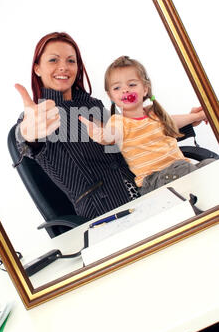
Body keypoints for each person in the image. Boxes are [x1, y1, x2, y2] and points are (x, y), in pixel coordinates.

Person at [14, 32, 140, 221]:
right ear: (37, 68)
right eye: (53, 60)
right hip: (104, 213)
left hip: (144, 191)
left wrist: (176, 124)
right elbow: (26, 139)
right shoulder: (41, 117)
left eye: (71, 61)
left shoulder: (94, 104)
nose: (63, 67)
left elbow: (130, 136)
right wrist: (26, 132)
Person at [80, 55, 214, 195]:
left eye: (132, 85)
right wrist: (99, 134)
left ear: (145, 89)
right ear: (111, 96)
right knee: (184, 169)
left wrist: (197, 116)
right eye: (117, 88)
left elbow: (172, 121)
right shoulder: (119, 121)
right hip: (153, 181)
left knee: (211, 164)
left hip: (179, 170)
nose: (125, 90)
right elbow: (110, 136)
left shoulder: (154, 112)